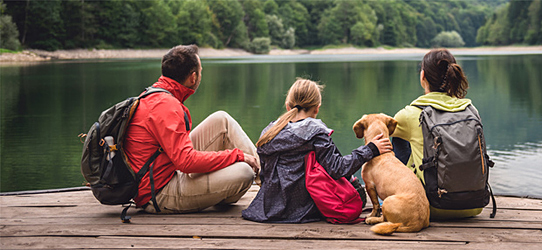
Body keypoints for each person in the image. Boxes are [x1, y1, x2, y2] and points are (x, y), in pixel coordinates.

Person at [124, 45, 260, 214]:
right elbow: (186, 162)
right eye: (201, 70)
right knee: (244, 172)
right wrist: (237, 156)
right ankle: (269, 182)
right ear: (193, 77)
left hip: (167, 169)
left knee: (221, 119)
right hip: (158, 193)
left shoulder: (155, 94)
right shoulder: (167, 106)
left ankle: (267, 179)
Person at [241, 78, 392, 223]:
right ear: (317, 108)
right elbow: (338, 168)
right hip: (304, 208)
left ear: (288, 106)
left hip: (268, 207)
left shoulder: (269, 132)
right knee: (356, 190)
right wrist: (370, 149)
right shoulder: (315, 133)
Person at [391, 48, 484, 220]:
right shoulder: (471, 110)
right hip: (475, 205)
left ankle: (396, 194)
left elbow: (381, 137)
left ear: (423, 76)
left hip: (430, 206)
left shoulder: (409, 114)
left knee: (397, 137)